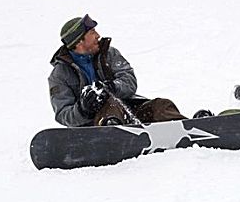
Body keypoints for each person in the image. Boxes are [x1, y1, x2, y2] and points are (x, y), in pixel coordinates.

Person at [48, 14, 206, 127]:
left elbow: (129, 80)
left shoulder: (109, 54)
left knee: (161, 106)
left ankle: (190, 128)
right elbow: (63, 114)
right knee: (109, 104)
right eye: (92, 33)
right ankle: (113, 133)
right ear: (79, 41)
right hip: (93, 125)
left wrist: (113, 87)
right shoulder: (59, 76)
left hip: (130, 111)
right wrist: (83, 108)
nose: (98, 36)